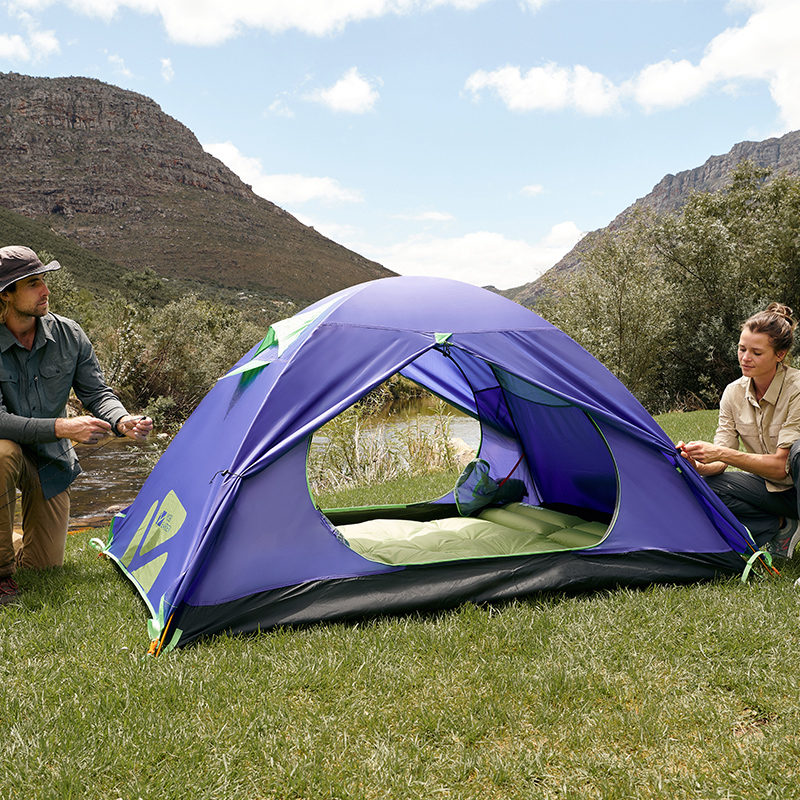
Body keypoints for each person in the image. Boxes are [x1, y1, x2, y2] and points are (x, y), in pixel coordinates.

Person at [0, 245, 153, 605]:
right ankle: (2, 578)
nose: (46, 291)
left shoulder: (70, 335)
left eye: (44, 281)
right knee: (2, 453)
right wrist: (64, 427)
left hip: (52, 462)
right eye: (34, 283)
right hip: (8, 451)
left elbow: (97, 392)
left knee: (44, 568)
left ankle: (12, 539)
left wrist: (121, 419)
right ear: (5, 294)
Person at [677, 302, 800, 562]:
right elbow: (720, 461)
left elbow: (782, 467)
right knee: (705, 487)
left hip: (794, 485)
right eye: (742, 349)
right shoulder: (733, 392)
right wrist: (698, 464)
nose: (745, 358)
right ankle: (781, 526)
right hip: (773, 491)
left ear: (780, 354)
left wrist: (721, 452)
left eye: (756, 352)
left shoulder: (796, 389)